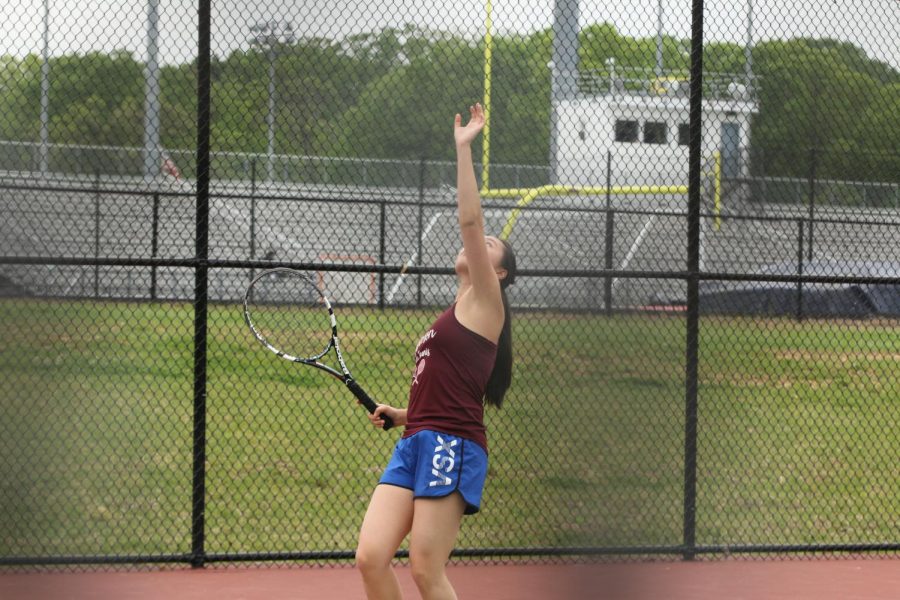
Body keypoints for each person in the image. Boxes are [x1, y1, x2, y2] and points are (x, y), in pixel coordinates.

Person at [355, 103, 516, 600]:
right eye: (481, 240)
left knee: (425, 569)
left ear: (501, 274)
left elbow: (469, 220)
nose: (476, 241)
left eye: (489, 244)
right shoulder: (454, 312)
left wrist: (463, 148)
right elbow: (447, 389)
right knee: (371, 557)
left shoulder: (488, 302)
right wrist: (404, 415)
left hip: (452, 445)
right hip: (419, 440)